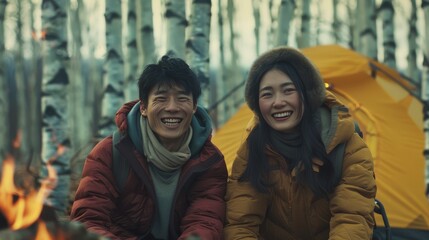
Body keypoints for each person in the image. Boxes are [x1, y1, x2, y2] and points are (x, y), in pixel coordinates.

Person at [224, 47, 377, 239]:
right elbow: (240, 224)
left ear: (307, 94)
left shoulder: (347, 147)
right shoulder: (253, 148)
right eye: (267, 94)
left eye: (288, 91)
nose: (278, 102)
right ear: (257, 103)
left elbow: (352, 220)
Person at [70, 55, 228, 240]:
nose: (172, 107)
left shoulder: (209, 161)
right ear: (143, 107)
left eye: (182, 98)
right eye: (161, 99)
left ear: (194, 106)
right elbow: (88, 220)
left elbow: (205, 221)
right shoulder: (110, 153)